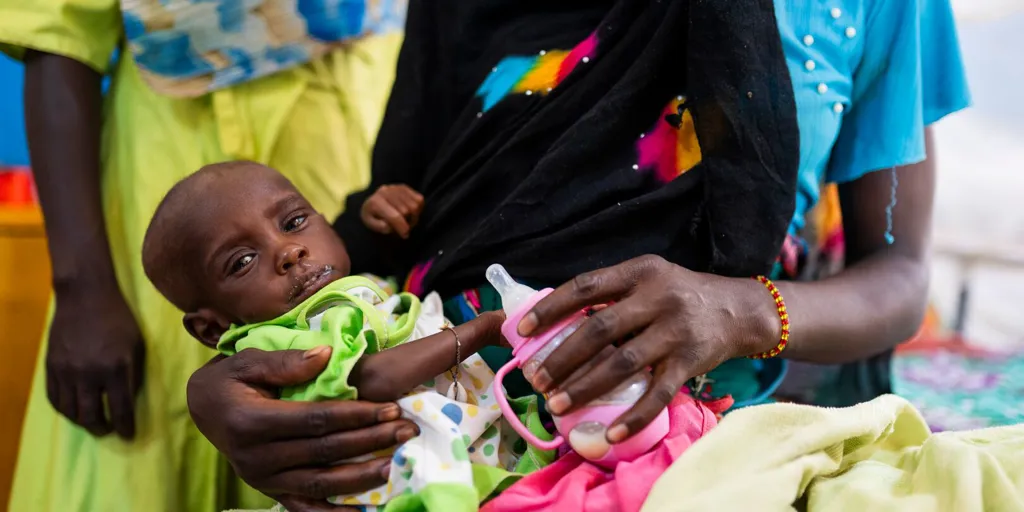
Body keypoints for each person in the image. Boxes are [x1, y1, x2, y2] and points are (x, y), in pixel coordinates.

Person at [186, 0, 970, 508]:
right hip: (441, 439)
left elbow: (899, 281)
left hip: (698, 452)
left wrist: (739, 310)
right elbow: (392, 220)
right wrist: (236, 383)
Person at [0, 1, 405, 510]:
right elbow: (58, 36)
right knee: (144, 459)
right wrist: (82, 289)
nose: (288, 252)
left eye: (296, 226)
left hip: (350, 131)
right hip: (170, 155)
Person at [142, 162, 550, 511]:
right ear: (212, 328)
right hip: (413, 487)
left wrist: (386, 236)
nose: (289, 251)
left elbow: (394, 322)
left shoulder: (352, 290)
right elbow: (373, 377)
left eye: (294, 222)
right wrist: (484, 329)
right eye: (243, 261)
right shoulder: (279, 338)